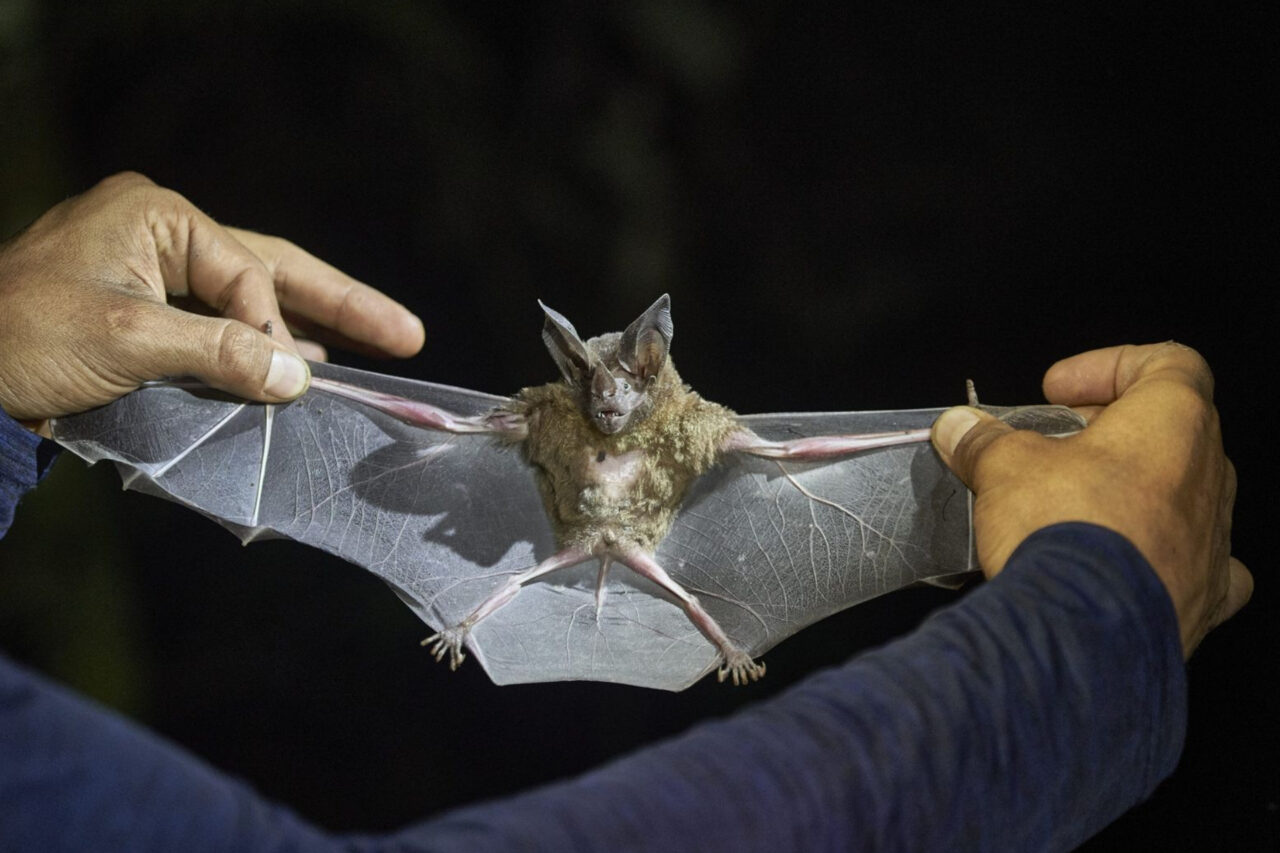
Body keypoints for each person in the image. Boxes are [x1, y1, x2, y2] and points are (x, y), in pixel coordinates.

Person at [0, 174, 1251, 851]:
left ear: (650, 368)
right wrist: (1084, 637)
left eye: (621, 381)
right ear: (570, 366)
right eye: (588, 381)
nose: (602, 401)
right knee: (379, 416)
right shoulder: (531, 418)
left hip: (672, 548)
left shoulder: (700, 427)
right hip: (535, 537)